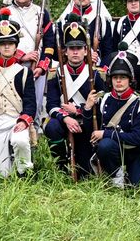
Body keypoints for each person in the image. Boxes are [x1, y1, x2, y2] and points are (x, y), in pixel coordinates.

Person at [0, 0, 56, 131]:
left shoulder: (41, 13)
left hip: (37, 69)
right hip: (10, 68)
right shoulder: (4, 12)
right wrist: (22, 56)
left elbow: (49, 44)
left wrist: (42, 66)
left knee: (36, 108)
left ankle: (34, 140)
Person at [44, 16, 102, 179]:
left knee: (84, 173)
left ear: (86, 50)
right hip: (65, 122)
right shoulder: (56, 74)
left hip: (87, 122)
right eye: (71, 48)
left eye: (79, 47)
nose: (75, 52)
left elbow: (103, 104)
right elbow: (52, 105)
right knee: (52, 127)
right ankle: (61, 164)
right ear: (65, 51)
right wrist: (65, 119)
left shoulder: (97, 74)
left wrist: (78, 110)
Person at [0, 8, 37, 177]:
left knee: (20, 140)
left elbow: (30, 103)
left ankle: (24, 172)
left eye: (10, 43)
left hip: (15, 120)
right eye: (3, 43)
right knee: (1, 175)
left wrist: (24, 121)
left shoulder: (24, 72)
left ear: (15, 46)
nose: (6, 46)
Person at [92, 46, 140, 188]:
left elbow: (137, 138)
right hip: (113, 150)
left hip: (135, 152)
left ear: (130, 80)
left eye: (123, 77)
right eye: (115, 77)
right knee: (104, 145)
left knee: (137, 187)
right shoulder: (104, 99)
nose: (118, 81)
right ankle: (115, 173)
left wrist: (105, 133)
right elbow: (93, 128)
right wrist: (88, 108)